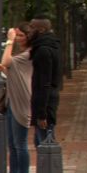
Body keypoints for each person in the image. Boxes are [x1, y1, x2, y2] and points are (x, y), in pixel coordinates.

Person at [0, 23, 33, 173]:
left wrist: (9, 41)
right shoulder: (21, 54)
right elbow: (10, 68)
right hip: (11, 101)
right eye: (16, 36)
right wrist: (5, 69)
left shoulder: (28, 54)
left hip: (21, 102)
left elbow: (6, 61)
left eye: (21, 36)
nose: (18, 39)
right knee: (12, 144)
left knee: (20, 144)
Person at [28, 17, 61, 152]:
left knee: (44, 144)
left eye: (32, 28)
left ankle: (48, 172)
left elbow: (44, 82)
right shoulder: (53, 46)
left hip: (45, 103)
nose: (29, 31)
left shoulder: (42, 50)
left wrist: (42, 113)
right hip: (49, 99)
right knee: (42, 141)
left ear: (41, 30)